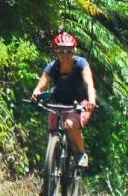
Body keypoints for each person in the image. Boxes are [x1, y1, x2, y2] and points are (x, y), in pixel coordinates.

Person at [30, 32, 98, 168]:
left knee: (70, 124)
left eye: (68, 51)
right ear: (56, 51)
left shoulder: (81, 64)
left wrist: (91, 101)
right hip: (59, 102)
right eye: (61, 51)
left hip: (80, 103)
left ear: (73, 51)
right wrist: (35, 94)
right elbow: (41, 86)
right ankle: (50, 175)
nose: (65, 54)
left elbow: (89, 84)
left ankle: (80, 153)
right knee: (53, 129)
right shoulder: (52, 67)